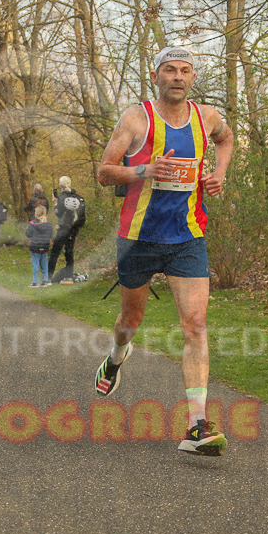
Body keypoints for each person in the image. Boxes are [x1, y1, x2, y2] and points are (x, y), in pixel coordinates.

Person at [93, 46, 234, 457]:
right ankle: (116, 359)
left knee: (194, 324)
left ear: (192, 78)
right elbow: (103, 172)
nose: (177, 76)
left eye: (185, 71)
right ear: (156, 76)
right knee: (131, 318)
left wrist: (218, 174)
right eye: (170, 70)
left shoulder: (207, 117)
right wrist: (144, 170)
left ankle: (196, 427)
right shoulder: (136, 119)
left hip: (187, 237)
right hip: (137, 237)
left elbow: (226, 141)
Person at [49, 176, 85, 284]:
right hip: (74, 228)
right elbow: (82, 215)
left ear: (60, 185)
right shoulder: (79, 197)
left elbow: (58, 213)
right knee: (69, 252)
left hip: (64, 228)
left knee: (55, 252)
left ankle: (48, 277)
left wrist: (55, 203)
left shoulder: (61, 197)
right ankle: (69, 276)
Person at [26, 205, 53, 287]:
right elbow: (51, 235)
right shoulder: (48, 224)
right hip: (45, 247)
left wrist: (28, 229)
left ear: (36, 214)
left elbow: (28, 234)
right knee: (44, 265)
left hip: (35, 247)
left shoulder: (32, 224)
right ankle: (45, 281)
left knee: (35, 266)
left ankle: (35, 282)